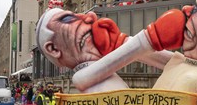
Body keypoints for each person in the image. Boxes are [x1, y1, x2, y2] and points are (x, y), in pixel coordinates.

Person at [72, 0, 197, 104]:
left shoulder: (192, 78)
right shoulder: (192, 66)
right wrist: (119, 41)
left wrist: (148, 37)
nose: (186, 9)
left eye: (196, 9)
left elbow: (81, 79)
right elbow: (157, 56)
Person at [35, 8, 172, 93]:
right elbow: (137, 48)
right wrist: (151, 36)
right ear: (53, 49)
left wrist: (120, 42)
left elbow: (178, 63)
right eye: (68, 19)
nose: (91, 16)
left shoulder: (92, 73)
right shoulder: (81, 78)